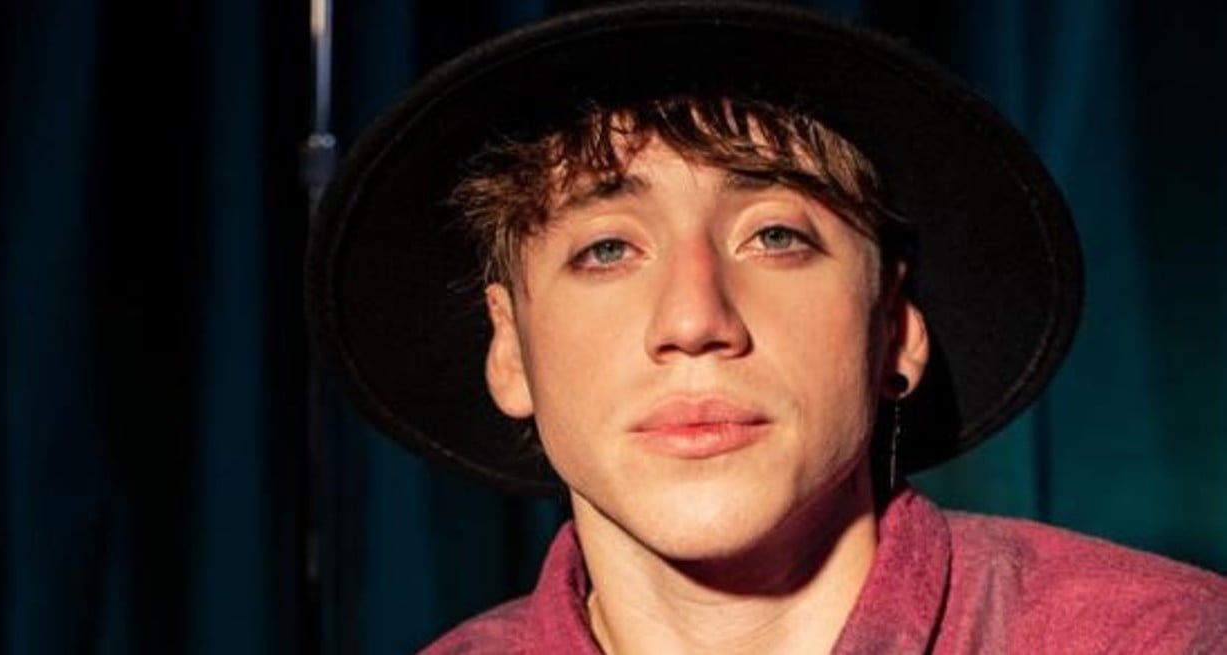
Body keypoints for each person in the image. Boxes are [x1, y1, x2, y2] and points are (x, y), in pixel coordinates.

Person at [305, 3, 1226, 653]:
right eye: (607, 249)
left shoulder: (1153, 638)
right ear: (510, 349)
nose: (694, 319)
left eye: (777, 236)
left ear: (896, 328)